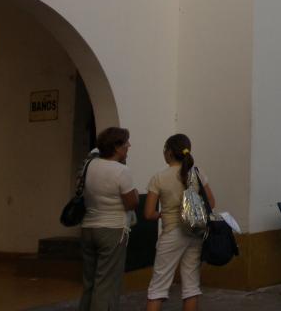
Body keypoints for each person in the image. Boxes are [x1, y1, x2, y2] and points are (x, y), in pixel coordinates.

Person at [143, 134, 216, 310]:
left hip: (172, 233)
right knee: (191, 286)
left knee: (158, 288)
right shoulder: (197, 173)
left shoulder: (159, 178)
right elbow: (211, 203)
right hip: (195, 231)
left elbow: (148, 213)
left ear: (168, 153)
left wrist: (161, 215)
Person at [79, 126, 139, 311]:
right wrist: (135, 193)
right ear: (117, 147)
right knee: (106, 284)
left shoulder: (90, 165)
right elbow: (131, 203)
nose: (129, 146)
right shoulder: (121, 171)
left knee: (89, 282)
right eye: (126, 143)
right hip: (112, 230)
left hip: (88, 227)